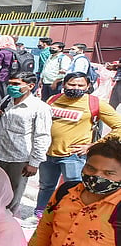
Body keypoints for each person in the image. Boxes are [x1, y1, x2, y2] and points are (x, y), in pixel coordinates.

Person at [33, 72, 121, 220]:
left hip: (73, 157)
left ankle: (68, 217)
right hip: (48, 154)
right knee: (46, 186)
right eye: (72, 84)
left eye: (80, 85)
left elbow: (118, 127)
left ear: (88, 86)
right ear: (64, 84)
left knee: (75, 189)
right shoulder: (53, 100)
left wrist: (92, 146)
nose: (76, 88)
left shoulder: (95, 103)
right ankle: (40, 215)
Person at [0, 72, 52, 213]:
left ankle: (5, 222)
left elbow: (42, 136)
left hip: (19, 159)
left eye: (16, 84)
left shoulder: (40, 108)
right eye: (10, 83)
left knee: (11, 196)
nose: (11, 87)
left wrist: (34, 163)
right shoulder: (7, 100)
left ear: (30, 86)